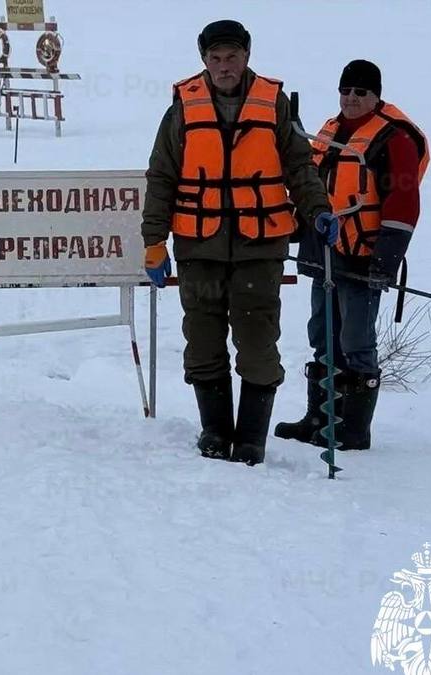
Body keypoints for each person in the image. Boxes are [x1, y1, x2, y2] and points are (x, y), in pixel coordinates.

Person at [140, 19, 334, 465]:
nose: (224, 66)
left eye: (232, 57)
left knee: (258, 342)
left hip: (259, 247)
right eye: (216, 58)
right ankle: (214, 432)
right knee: (202, 341)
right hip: (198, 246)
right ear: (204, 60)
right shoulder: (183, 108)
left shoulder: (273, 104)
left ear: (247, 56)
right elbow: (162, 177)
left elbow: (300, 167)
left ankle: (250, 439)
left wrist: (318, 210)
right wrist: (154, 241)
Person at [275, 59, 429, 450]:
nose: (351, 98)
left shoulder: (393, 138)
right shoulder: (329, 131)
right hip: (325, 253)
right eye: (345, 91)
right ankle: (320, 418)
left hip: (364, 258)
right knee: (322, 335)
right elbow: (309, 184)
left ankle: (354, 429)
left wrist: (385, 261)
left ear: (376, 96)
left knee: (356, 340)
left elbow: (404, 201)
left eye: (361, 92)